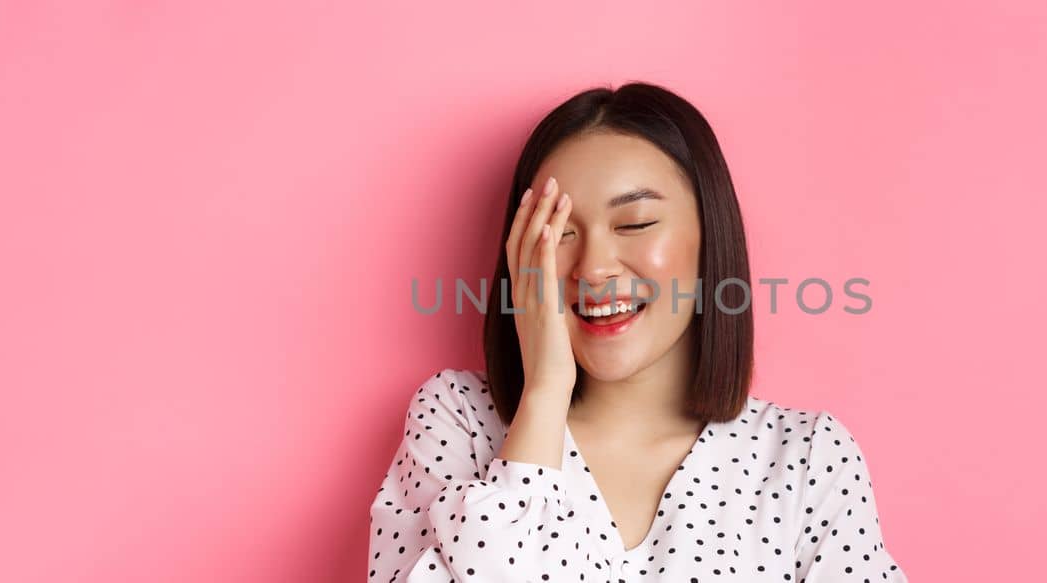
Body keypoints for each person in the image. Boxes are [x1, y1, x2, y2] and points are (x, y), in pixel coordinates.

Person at [369, 82, 905, 582]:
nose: (593, 267)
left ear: (709, 237)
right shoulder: (456, 419)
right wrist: (545, 393)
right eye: (558, 234)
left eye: (635, 224)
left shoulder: (806, 457)